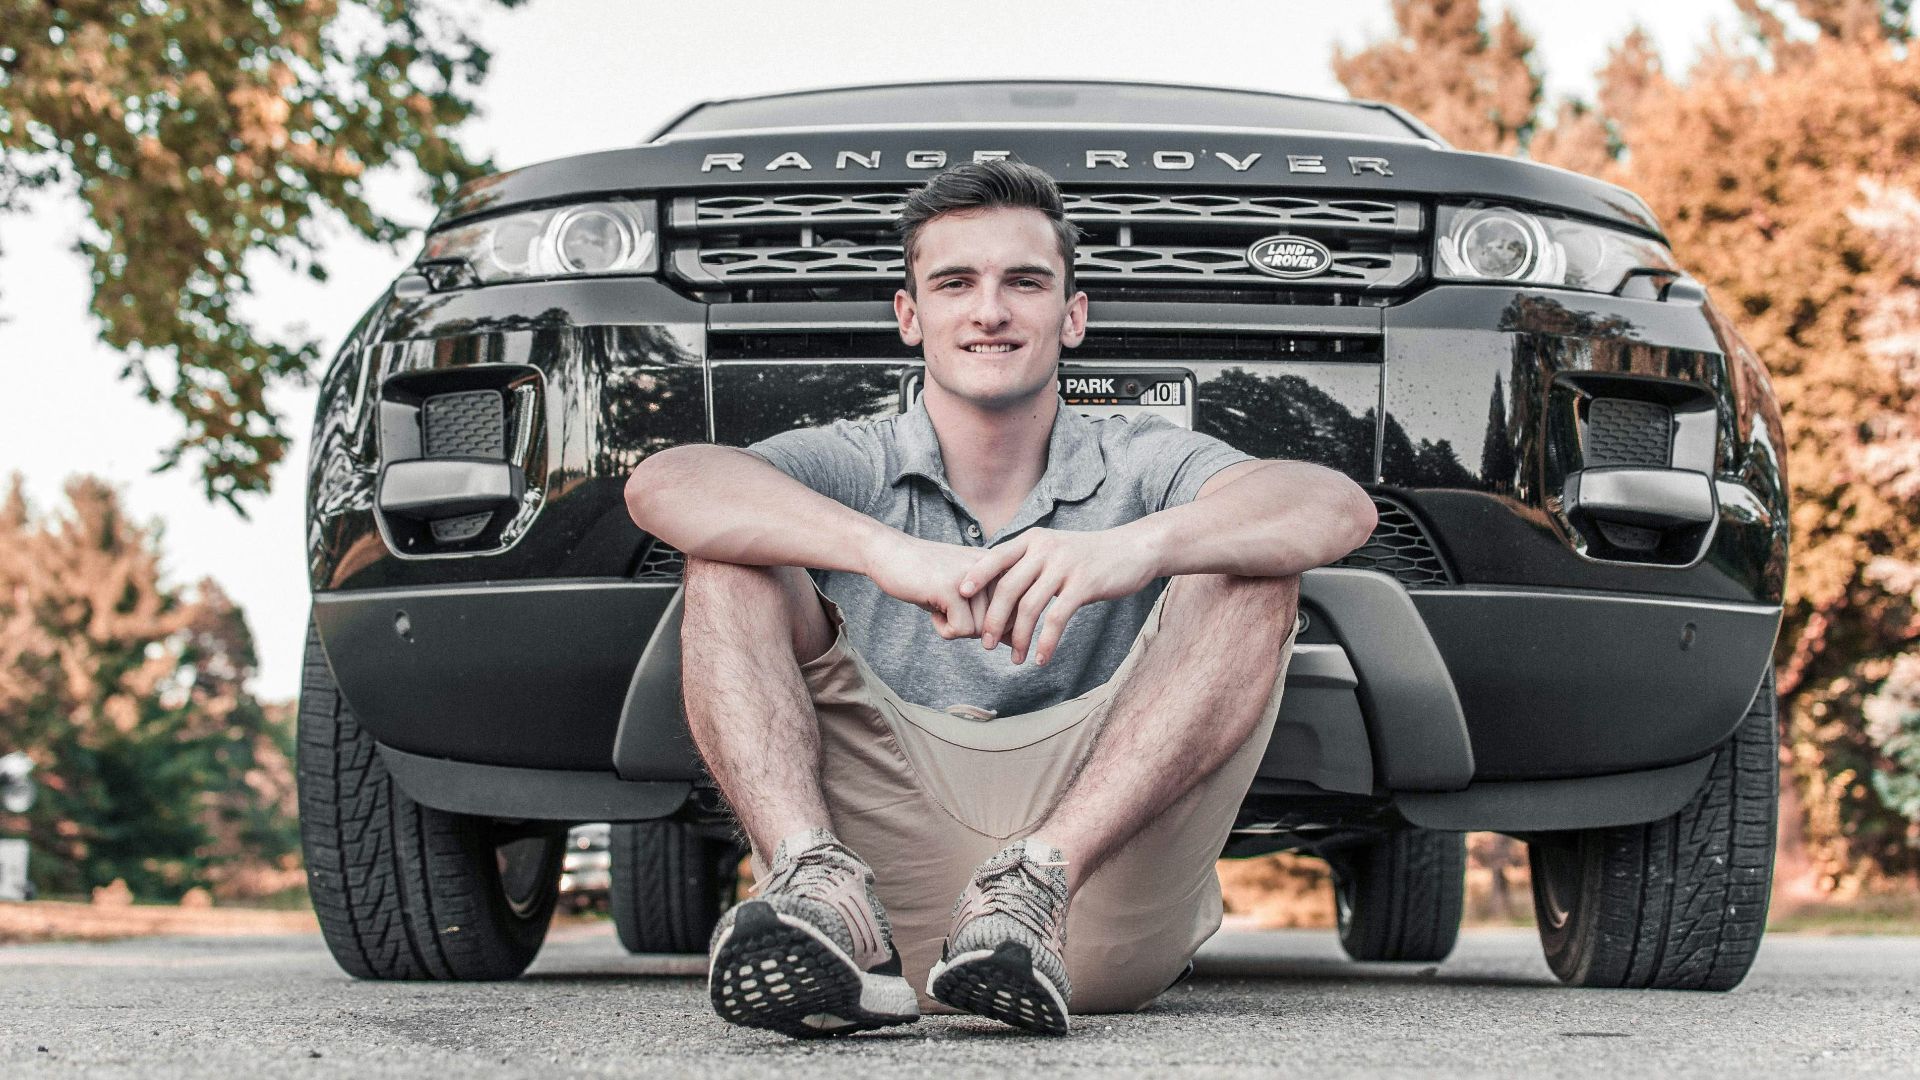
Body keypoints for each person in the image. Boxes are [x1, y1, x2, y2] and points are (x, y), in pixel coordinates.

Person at [624, 160, 1376, 1037]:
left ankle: (1030, 885)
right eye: (955, 284)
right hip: (869, 908)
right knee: (727, 557)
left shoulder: (1136, 457)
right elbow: (670, 483)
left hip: (1083, 900)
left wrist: (1132, 550)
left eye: (1024, 282)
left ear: (1073, 314)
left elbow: (1332, 506)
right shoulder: (858, 456)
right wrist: (885, 553)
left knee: (1250, 565)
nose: (990, 311)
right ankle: (810, 881)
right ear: (911, 317)